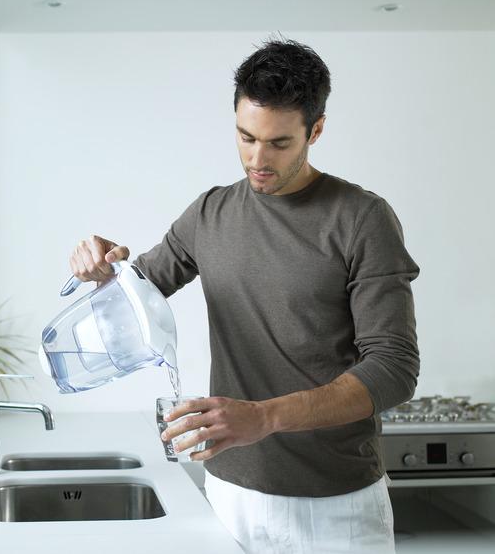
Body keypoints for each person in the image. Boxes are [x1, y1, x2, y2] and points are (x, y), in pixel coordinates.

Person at [67, 38, 419, 553]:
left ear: (315, 131)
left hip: (335, 505)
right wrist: (103, 269)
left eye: (279, 143)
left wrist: (266, 416)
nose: (257, 159)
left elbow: (394, 369)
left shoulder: (362, 219)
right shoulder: (210, 213)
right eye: (245, 136)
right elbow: (136, 294)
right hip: (230, 495)